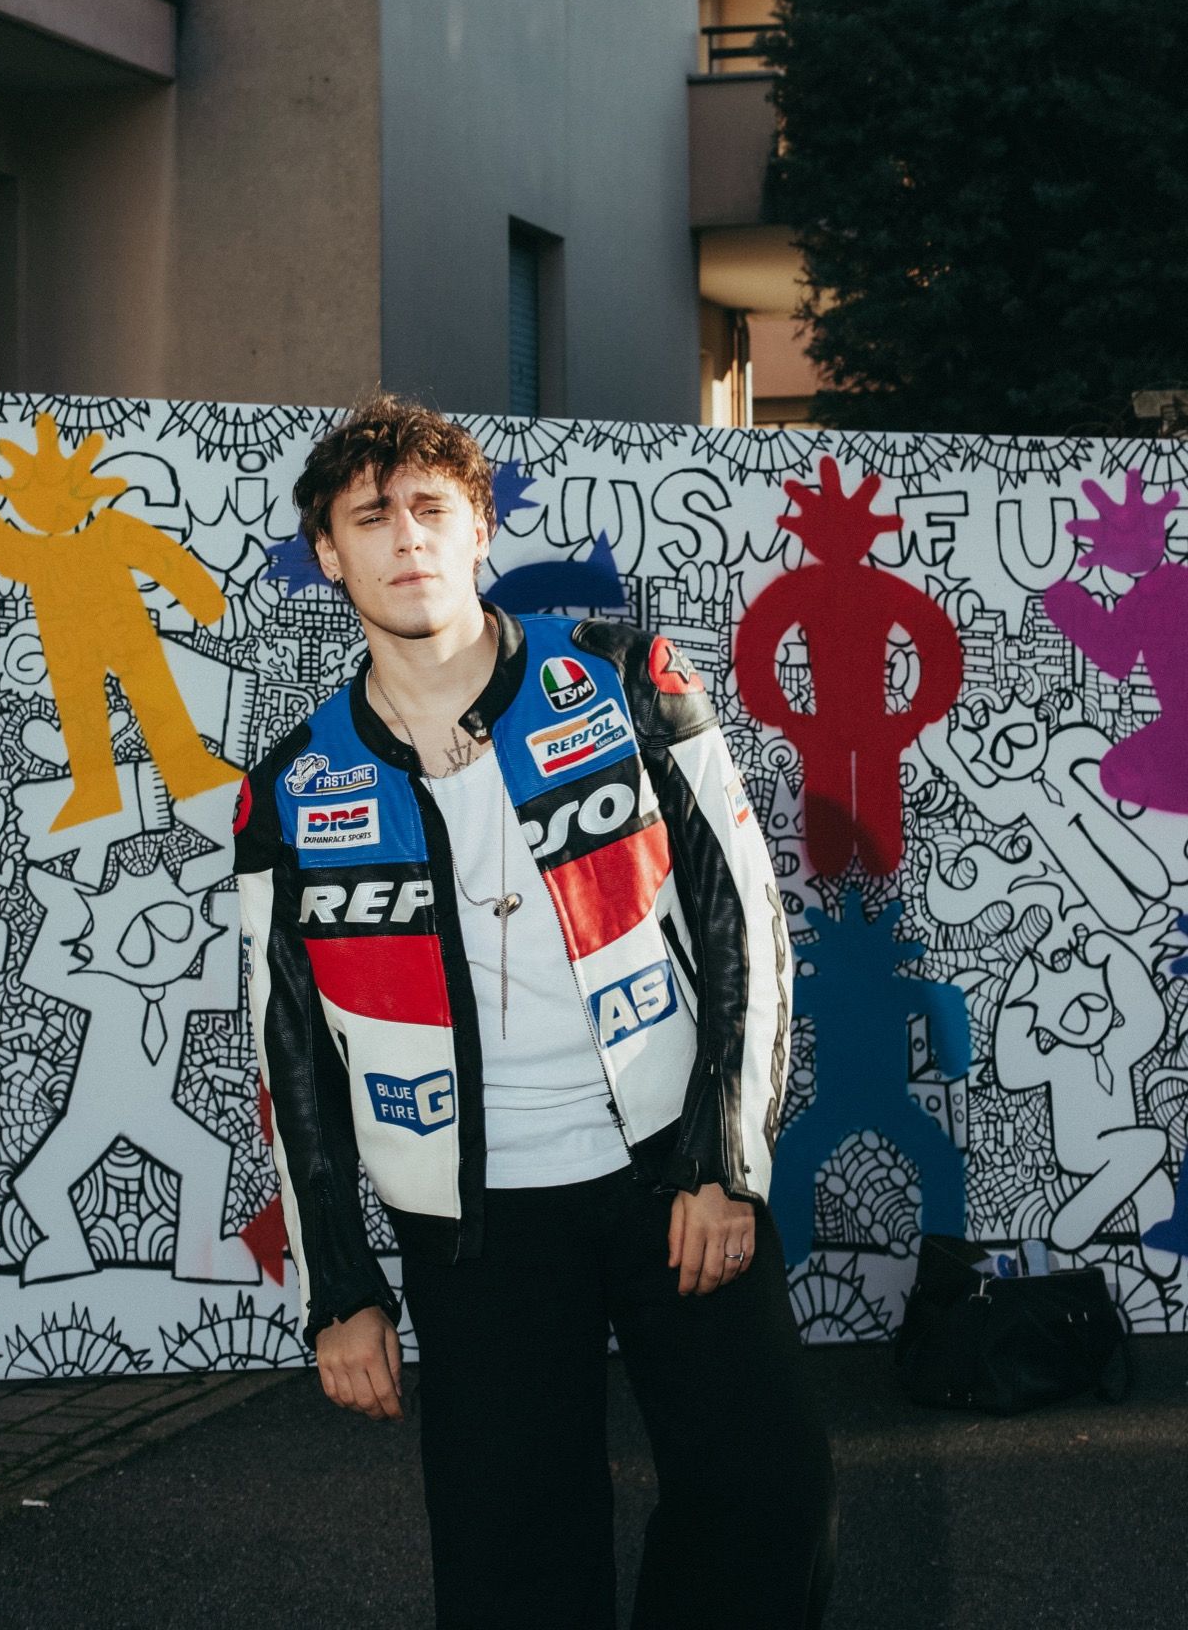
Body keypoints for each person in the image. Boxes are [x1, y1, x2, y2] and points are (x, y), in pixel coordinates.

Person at [233, 390, 838, 1630]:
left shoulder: (621, 679)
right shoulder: (293, 786)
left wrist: (723, 1163)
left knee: (764, 1497)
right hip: (476, 1230)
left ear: (479, 530)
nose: (406, 537)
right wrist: (338, 1286)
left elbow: (745, 927)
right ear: (329, 555)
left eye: (431, 509)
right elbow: (289, 1050)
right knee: (515, 1562)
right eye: (370, 517)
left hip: (669, 1175)